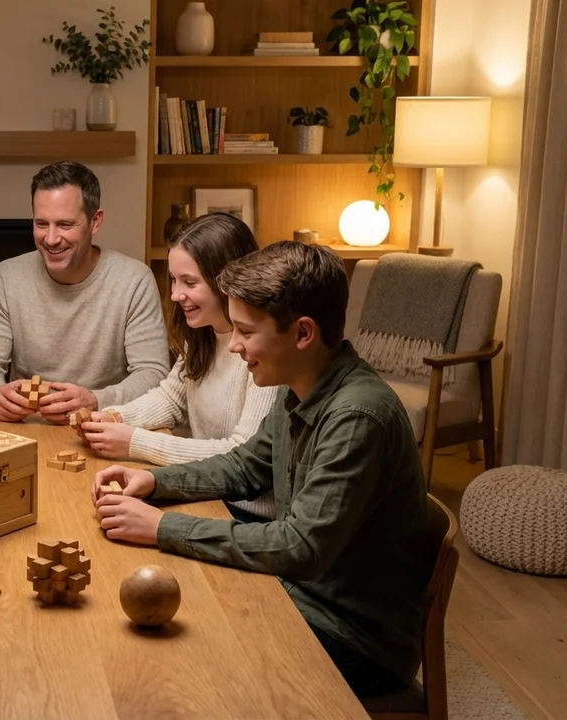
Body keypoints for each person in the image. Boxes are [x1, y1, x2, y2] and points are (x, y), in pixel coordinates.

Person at [91, 241, 429, 698]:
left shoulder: (357, 417)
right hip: (300, 593)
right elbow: (246, 465)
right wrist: (155, 482)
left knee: (174, 661)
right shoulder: (302, 387)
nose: (234, 346)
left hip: (353, 639)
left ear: (303, 333)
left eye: (246, 332)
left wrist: (162, 526)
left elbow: (298, 547)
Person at [76, 213, 279, 520]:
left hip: (245, 513)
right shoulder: (202, 332)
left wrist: (134, 441)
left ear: (225, 280)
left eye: (190, 282)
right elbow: (171, 398)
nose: (174, 295)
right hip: (204, 493)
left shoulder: (266, 350)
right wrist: (113, 416)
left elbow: (242, 457)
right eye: (173, 279)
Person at [0, 161, 170, 423]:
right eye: (41, 223)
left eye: (65, 224)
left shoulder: (134, 280)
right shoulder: (6, 277)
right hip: (27, 426)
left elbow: (153, 373)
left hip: (102, 425)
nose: (50, 239)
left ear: (95, 222)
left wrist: (96, 401)